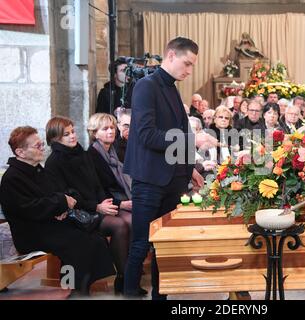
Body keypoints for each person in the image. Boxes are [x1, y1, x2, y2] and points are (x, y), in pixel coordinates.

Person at [123, 37, 205, 299]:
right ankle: (130, 292)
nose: (189, 70)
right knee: (140, 244)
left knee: (164, 245)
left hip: (172, 178)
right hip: (150, 178)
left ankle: (161, 295)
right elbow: (147, 135)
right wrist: (187, 141)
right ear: (171, 55)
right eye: (187, 63)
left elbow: (177, 129)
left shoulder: (171, 87)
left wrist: (189, 168)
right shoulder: (146, 86)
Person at [0, 127, 115, 297]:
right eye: (37, 146)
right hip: (31, 232)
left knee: (94, 237)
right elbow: (28, 208)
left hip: (49, 223)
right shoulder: (12, 178)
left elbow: (55, 192)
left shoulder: (37, 169)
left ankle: (82, 285)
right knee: (79, 241)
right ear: (20, 152)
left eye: (41, 144)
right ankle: (77, 289)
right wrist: (60, 203)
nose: (42, 148)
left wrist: (62, 205)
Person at [44, 116, 132, 295]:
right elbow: (67, 197)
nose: (72, 136)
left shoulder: (80, 153)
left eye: (73, 132)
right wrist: (97, 207)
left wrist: (103, 203)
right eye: (66, 134)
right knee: (119, 225)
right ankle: (124, 278)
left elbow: (96, 184)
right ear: (55, 138)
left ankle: (125, 278)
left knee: (130, 221)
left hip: (95, 206)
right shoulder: (54, 161)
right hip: (77, 213)